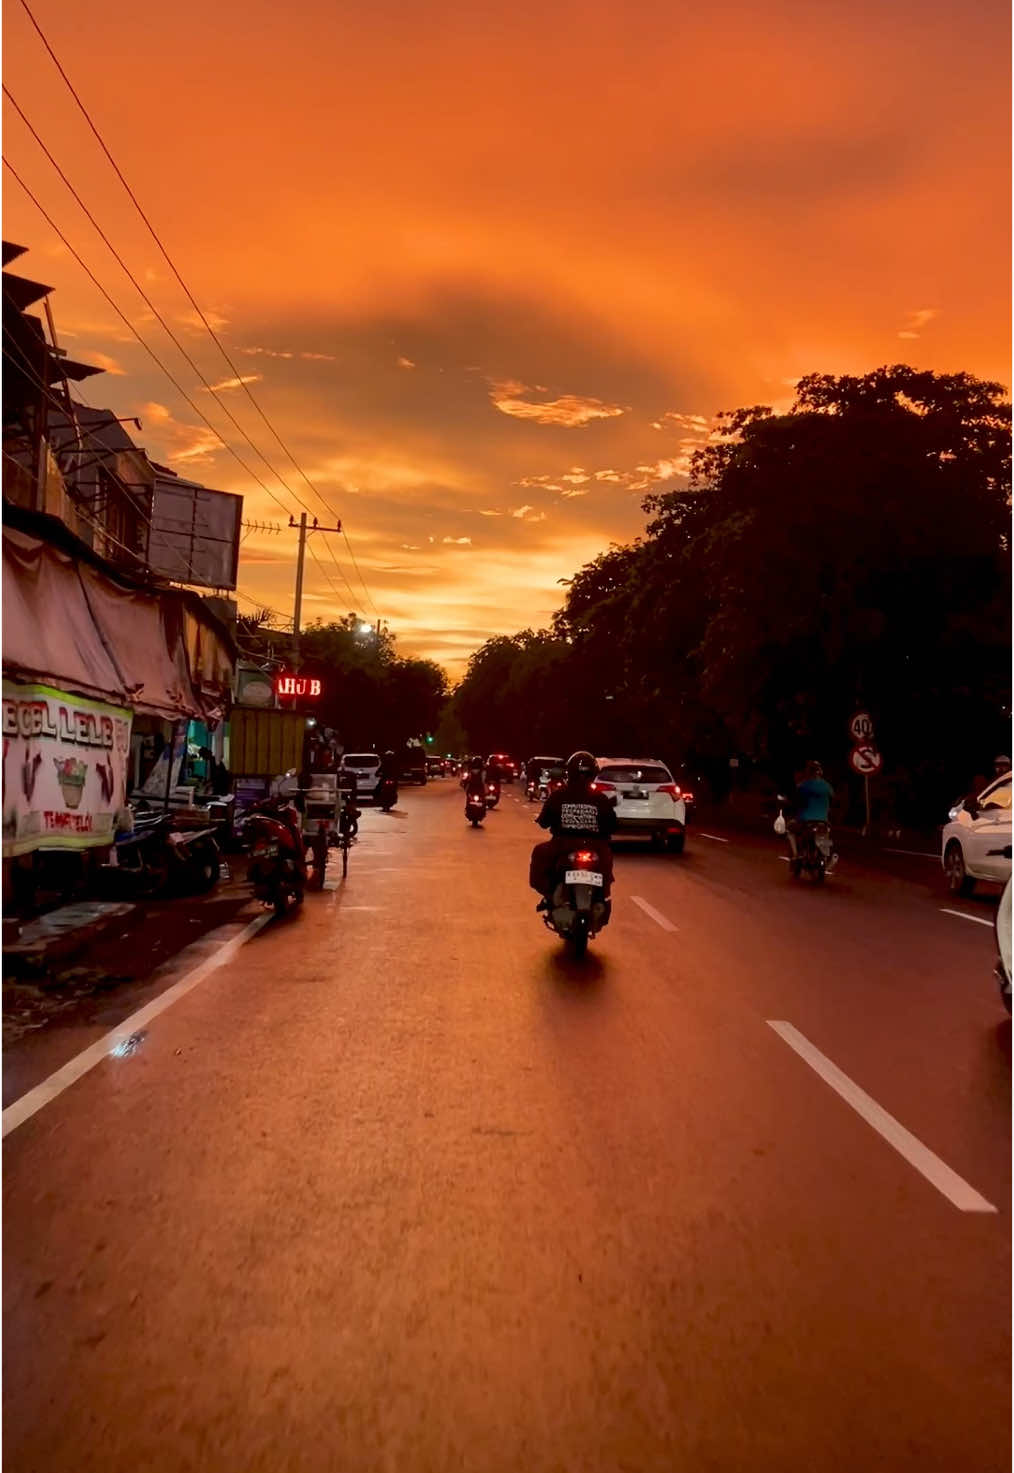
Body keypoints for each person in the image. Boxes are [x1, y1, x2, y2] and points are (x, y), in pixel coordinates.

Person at [529, 750, 617, 906]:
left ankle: (550, 895)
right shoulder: (600, 799)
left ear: (569, 773)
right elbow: (612, 825)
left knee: (539, 853)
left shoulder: (558, 796)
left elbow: (544, 822)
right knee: (606, 863)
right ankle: (601, 897)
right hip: (595, 847)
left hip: (563, 845)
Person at [786, 760, 836, 869]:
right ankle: (826, 857)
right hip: (824, 821)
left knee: (790, 829)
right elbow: (833, 799)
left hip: (806, 820)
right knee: (825, 835)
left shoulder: (804, 785)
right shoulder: (827, 786)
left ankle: (795, 855)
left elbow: (796, 801)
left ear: (808, 772)